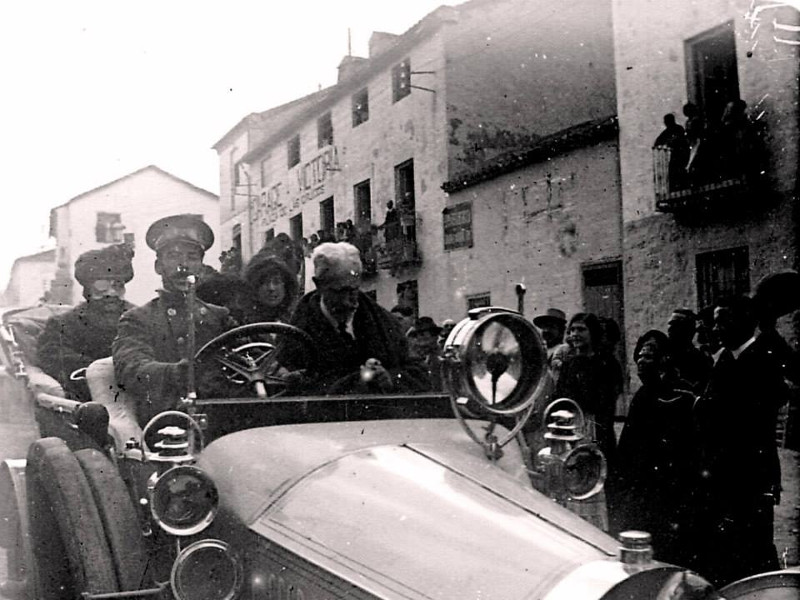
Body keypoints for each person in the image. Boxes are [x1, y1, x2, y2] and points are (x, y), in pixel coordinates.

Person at [693, 295, 787, 586]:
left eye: (724, 321)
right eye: (716, 322)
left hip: (750, 471)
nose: (717, 328)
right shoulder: (723, 359)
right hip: (721, 469)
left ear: (748, 322)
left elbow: (755, 415)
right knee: (725, 543)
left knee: (754, 543)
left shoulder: (763, 360)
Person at [112, 214, 235, 426]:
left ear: (201, 266)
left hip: (224, 419)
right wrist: (176, 372)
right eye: (173, 256)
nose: (183, 265)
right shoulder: (137, 319)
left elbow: (250, 357)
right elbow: (131, 369)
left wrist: (282, 374)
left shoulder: (219, 316)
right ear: (158, 266)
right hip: (168, 424)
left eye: (192, 257)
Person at [277, 242, 430, 395]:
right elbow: (288, 388)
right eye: (339, 292)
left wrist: (391, 378)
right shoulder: (295, 334)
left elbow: (420, 373)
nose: (348, 301)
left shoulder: (386, 323)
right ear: (319, 285)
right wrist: (356, 382)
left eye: (353, 290)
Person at [607, 330, 698, 568]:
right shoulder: (643, 393)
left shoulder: (678, 392)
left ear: (664, 360)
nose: (641, 362)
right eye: (640, 356)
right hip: (640, 486)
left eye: (649, 356)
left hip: (666, 488)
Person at [37, 244, 135, 401]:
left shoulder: (138, 318)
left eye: (118, 285)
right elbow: (55, 360)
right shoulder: (63, 324)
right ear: (88, 289)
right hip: (87, 399)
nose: (111, 293)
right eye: (101, 286)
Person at [244, 233, 302, 322]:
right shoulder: (243, 321)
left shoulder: (298, 319)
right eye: (264, 282)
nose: (271, 288)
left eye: (277, 282)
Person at [666, 308, 712, 393]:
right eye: (670, 323)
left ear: (689, 330)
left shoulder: (699, 359)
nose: (671, 328)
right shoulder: (663, 355)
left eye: (676, 324)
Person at [653, 113, 689, 190]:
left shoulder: (678, 128)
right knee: (673, 170)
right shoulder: (668, 131)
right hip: (675, 154)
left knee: (678, 170)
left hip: (681, 153)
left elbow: (681, 138)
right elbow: (658, 141)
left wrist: (671, 141)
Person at [407, 316, 443, 390]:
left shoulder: (440, 358)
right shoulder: (413, 357)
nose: (419, 339)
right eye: (417, 335)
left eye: (423, 335)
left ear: (435, 337)